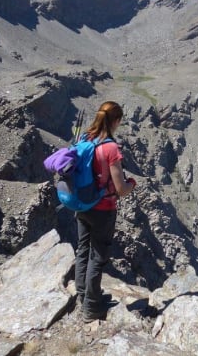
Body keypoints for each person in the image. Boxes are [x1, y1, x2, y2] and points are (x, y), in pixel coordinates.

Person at [74, 101, 137, 323]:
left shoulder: (85, 139)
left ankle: (83, 295)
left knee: (83, 250)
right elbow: (120, 189)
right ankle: (91, 308)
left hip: (82, 205)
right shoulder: (111, 148)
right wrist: (132, 183)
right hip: (103, 209)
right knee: (98, 256)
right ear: (116, 121)